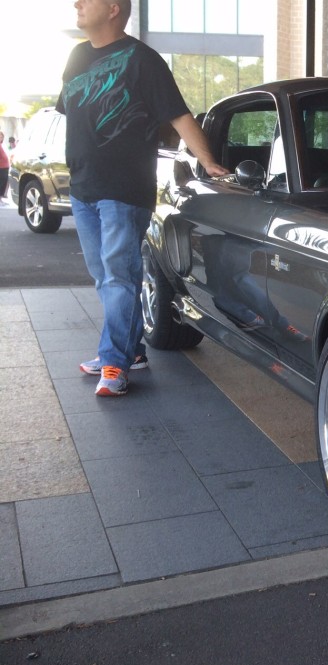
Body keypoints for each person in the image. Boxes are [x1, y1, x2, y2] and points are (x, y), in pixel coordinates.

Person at [61, 0, 227, 397]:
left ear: (114, 9)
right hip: (83, 187)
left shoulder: (143, 60)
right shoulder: (77, 55)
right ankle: (130, 350)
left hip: (123, 190)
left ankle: (115, 362)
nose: (77, 4)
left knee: (119, 274)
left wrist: (209, 162)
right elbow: (73, 116)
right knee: (106, 277)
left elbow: (179, 115)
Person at [0, 131, 9, 202]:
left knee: (4, 182)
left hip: (5, 166)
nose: (0, 138)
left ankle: (1, 198)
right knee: (2, 182)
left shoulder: (3, 145)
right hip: (1, 167)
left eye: (1, 137)